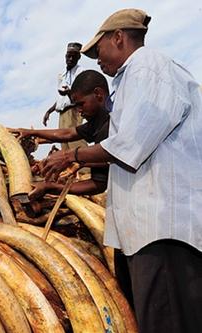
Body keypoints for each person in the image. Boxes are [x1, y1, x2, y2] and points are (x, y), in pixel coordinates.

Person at [41, 9, 202, 332]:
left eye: (97, 50)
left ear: (118, 38)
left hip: (162, 230)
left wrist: (71, 158)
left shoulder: (148, 68)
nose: (95, 59)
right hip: (145, 231)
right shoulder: (132, 78)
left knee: (168, 321)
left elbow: (130, 143)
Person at [18, 70, 110, 200]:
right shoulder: (96, 124)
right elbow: (98, 184)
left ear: (98, 94)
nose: (78, 111)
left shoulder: (116, 123)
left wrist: (69, 157)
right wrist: (33, 132)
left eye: (80, 104)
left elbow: (110, 158)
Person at [42, 42, 87, 150]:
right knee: (64, 143)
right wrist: (49, 111)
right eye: (68, 56)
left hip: (74, 110)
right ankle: (71, 167)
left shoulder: (81, 72)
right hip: (62, 113)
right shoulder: (62, 74)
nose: (70, 59)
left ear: (79, 57)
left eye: (74, 56)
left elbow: (81, 94)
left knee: (75, 142)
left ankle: (86, 167)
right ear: (65, 56)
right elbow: (61, 98)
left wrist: (69, 92)